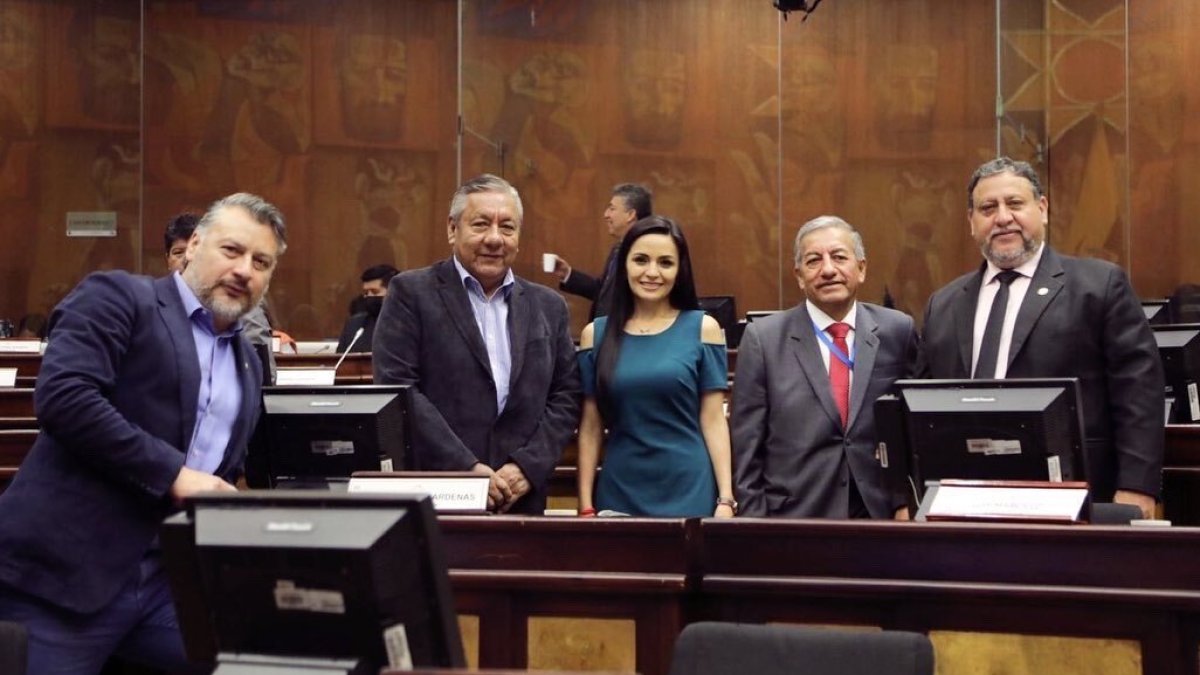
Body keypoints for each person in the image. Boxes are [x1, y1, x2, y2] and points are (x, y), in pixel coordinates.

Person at [0, 192, 286, 673]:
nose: (244, 271)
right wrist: (175, 474)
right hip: (61, 582)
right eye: (231, 251)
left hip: (164, 587)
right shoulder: (119, 297)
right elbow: (65, 398)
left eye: (262, 262)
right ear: (193, 245)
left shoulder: (248, 362)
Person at [917, 156, 1165, 517]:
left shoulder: (1098, 286)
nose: (1002, 217)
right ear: (971, 222)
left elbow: (1138, 393)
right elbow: (925, 405)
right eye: (988, 208)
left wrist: (1137, 486)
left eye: (1015, 203)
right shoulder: (944, 303)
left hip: (1074, 492)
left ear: (1043, 208)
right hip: (967, 498)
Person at [372, 174, 581, 514]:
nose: (494, 238)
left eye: (507, 227)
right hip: (440, 494)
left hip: (521, 497)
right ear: (452, 229)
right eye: (481, 224)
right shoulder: (411, 293)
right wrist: (464, 469)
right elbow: (398, 387)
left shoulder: (549, 306)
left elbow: (566, 394)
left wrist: (527, 466)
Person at [731, 216, 918, 518]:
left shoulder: (897, 330)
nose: (828, 270)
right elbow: (746, 445)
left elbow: (911, 429)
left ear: (862, 268)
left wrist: (904, 500)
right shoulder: (764, 339)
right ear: (799, 276)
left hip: (877, 512)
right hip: (794, 515)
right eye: (814, 261)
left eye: (839, 257)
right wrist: (755, 525)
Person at [576, 215, 735, 518]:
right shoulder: (595, 335)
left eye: (665, 262)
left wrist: (726, 498)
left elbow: (714, 420)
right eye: (640, 260)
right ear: (624, 266)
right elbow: (591, 426)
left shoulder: (703, 328)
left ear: (680, 270)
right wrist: (585, 504)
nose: (652, 272)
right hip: (620, 487)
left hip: (689, 485)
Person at [548, 183, 652, 320]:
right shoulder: (618, 249)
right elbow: (603, 292)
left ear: (631, 215)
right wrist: (567, 273)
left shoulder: (646, 253)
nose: (606, 215)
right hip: (604, 335)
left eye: (612, 208)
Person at [337, 263, 399, 353]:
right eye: (366, 292)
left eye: (374, 292)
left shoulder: (410, 324)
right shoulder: (354, 325)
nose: (369, 296)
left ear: (393, 292)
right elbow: (341, 361)